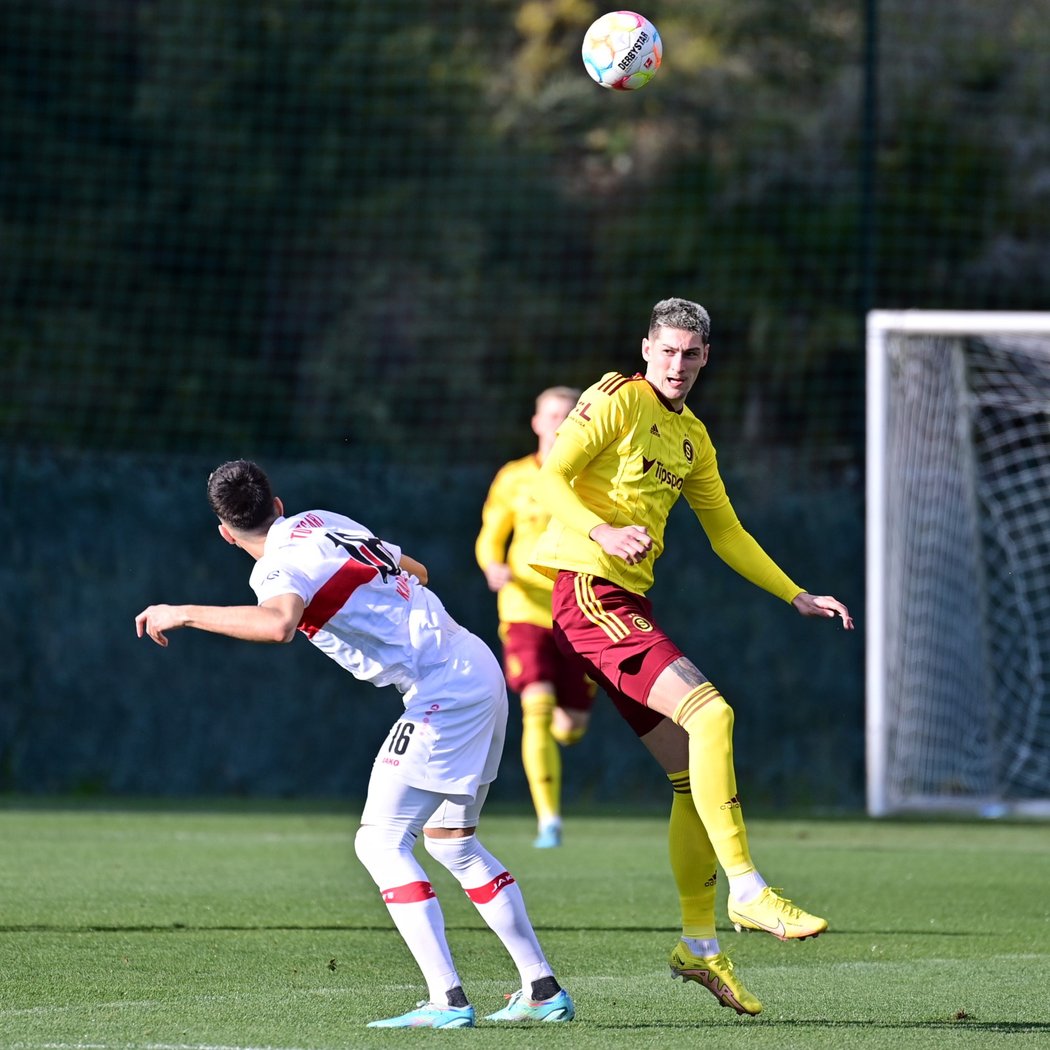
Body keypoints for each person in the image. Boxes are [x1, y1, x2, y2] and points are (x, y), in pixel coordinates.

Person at [135, 459, 574, 1029]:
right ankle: (541, 989)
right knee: (451, 843)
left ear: (225, 533)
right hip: (475, 665)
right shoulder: (322, 520)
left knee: (379, 842)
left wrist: (184, 612)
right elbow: (418, 569)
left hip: (442, 688)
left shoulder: (273, 569)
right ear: (278, 504)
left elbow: (277, 625)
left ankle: (447, 1001)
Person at [529, 298, 854, 1018]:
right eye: (667, 350)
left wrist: (795, 593)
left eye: (692, 355)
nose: (677, 365)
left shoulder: (693, 440)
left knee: (687, 778)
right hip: (586, 592)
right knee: (713, 714)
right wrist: (604, 530)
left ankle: (700, 949)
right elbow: (551, 477)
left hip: (626, 606)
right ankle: (747, 890)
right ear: (646, 348)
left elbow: (728, 532)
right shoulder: (615, 398)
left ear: (706, 359)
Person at [475, 386, 597, 849]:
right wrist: (492, 565)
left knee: (570, 726)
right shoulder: (514, 477)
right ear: (536, 421)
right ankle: (550, 821)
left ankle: (564, 737)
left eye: (568, 416)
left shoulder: (591, 475)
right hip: (524, 609)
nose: (559, 423)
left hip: (579, 609)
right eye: (551, 415)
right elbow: (491, 535)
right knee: (536, 706)